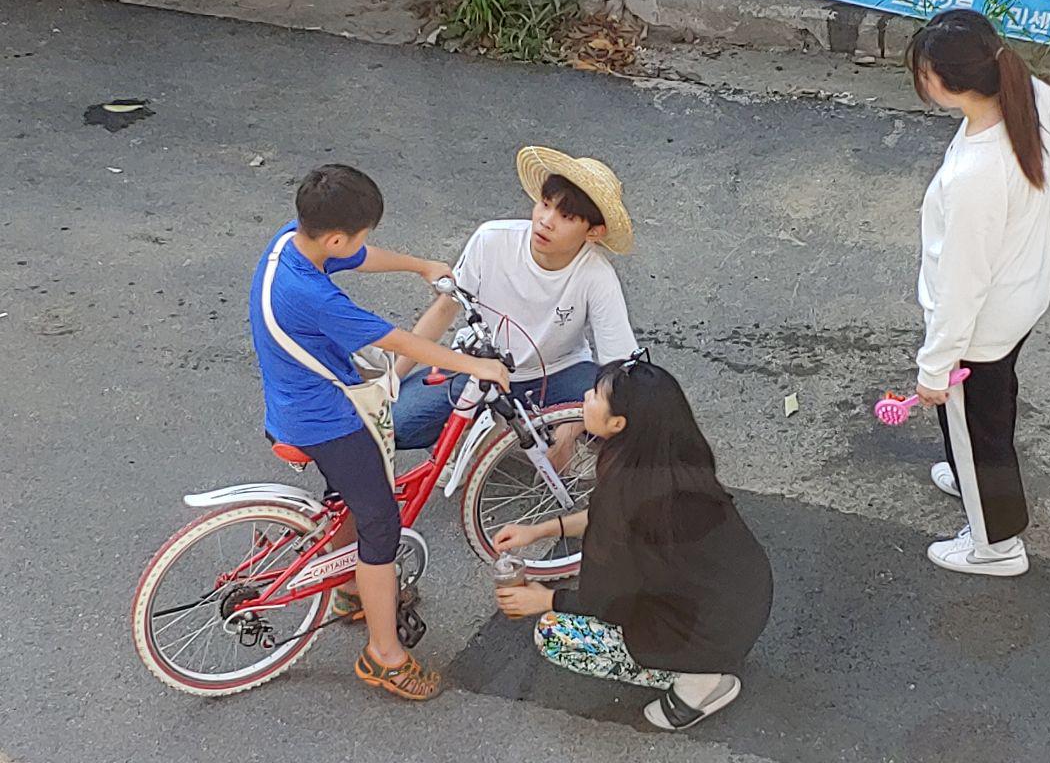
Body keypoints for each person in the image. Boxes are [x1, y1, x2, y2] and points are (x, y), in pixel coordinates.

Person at [249, 164, 510, 701]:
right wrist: (476, 366)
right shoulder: (315, 298)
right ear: (338, 235)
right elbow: (401, 344)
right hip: (329, 417)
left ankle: (348, 589)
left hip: (296, 397)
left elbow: (358, 256)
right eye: (362, 233)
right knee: (381, 523)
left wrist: (421, 267)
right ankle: (384, 656)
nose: (363, 245)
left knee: (351, 500)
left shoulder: (290, 241)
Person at [492, 355, 773, 731]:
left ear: (617, 424)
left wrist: (544, 599)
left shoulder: (626, 492)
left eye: (595, 396)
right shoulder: (672, 457)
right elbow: (612, 521)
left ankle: (702, 680)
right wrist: (541, 530)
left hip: (707, 635)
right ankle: (703, 663)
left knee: (552, 633)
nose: (586, 396)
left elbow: (607, 600)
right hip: (742, 601)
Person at [904, 9, 1050, 577]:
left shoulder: (975, 174)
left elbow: (961, 283)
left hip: (980, 325)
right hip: (1019, 300)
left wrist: (934, 367)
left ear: (944, 82)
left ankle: (997, 545)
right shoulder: (1030, 107)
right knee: (992, 410)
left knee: (979, 427)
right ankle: (971, 471)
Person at [391, 146, 638, 456]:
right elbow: (444, 309)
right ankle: (477, 427)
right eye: (545, 204)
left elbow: (621, 363)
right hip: (479, 364)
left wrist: (572, 427)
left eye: (567, 216)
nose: (546, 221)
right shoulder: (492, 239)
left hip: (558, 371)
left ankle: (553, 431)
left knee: (626, 417)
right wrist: (391, 380)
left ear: (593, 231)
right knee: (393, 424)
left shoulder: (596, 275)